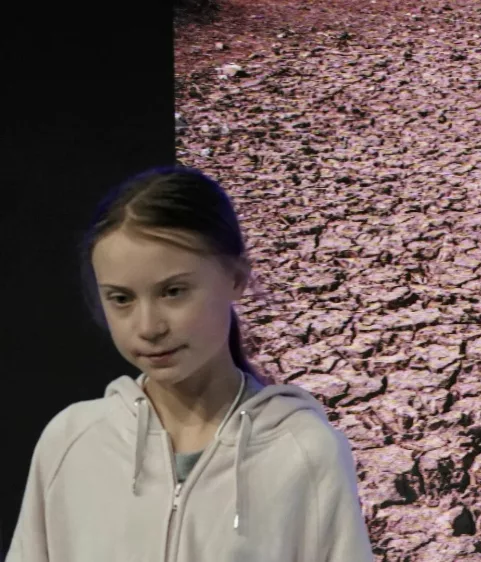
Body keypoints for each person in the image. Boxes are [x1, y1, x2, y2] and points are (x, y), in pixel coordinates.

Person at [7, 166, 375, 561]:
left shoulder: (305, 452)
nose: (148, 327)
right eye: (121, 299)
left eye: (173, 291)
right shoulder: (70, 442)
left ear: (237, 278)